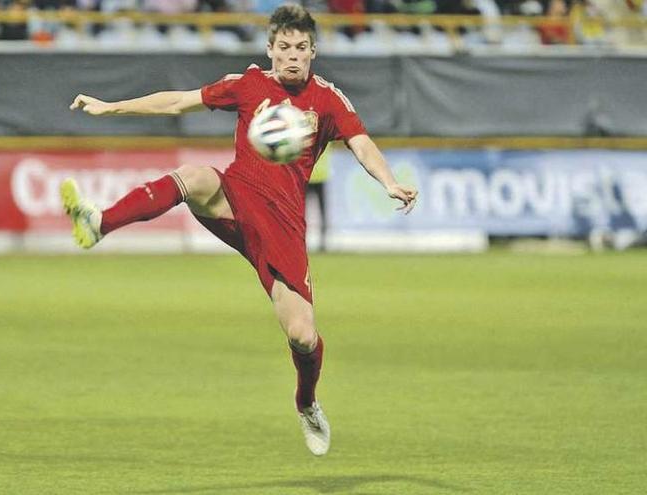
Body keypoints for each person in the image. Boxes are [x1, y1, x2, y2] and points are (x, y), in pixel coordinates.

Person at [62, 4, 417, 456]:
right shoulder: (250, 84)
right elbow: (179, 100)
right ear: (270, 49)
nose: (292, 56)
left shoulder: (327, 99)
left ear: (314, 52)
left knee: (303, 336)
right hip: (234, 199)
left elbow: (361, 143)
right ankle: (99, 224)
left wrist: (388, 182)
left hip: (282, 228)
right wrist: (112, 107)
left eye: (301, 48)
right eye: (284, 47)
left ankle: (306, 403)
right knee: (193, 176)